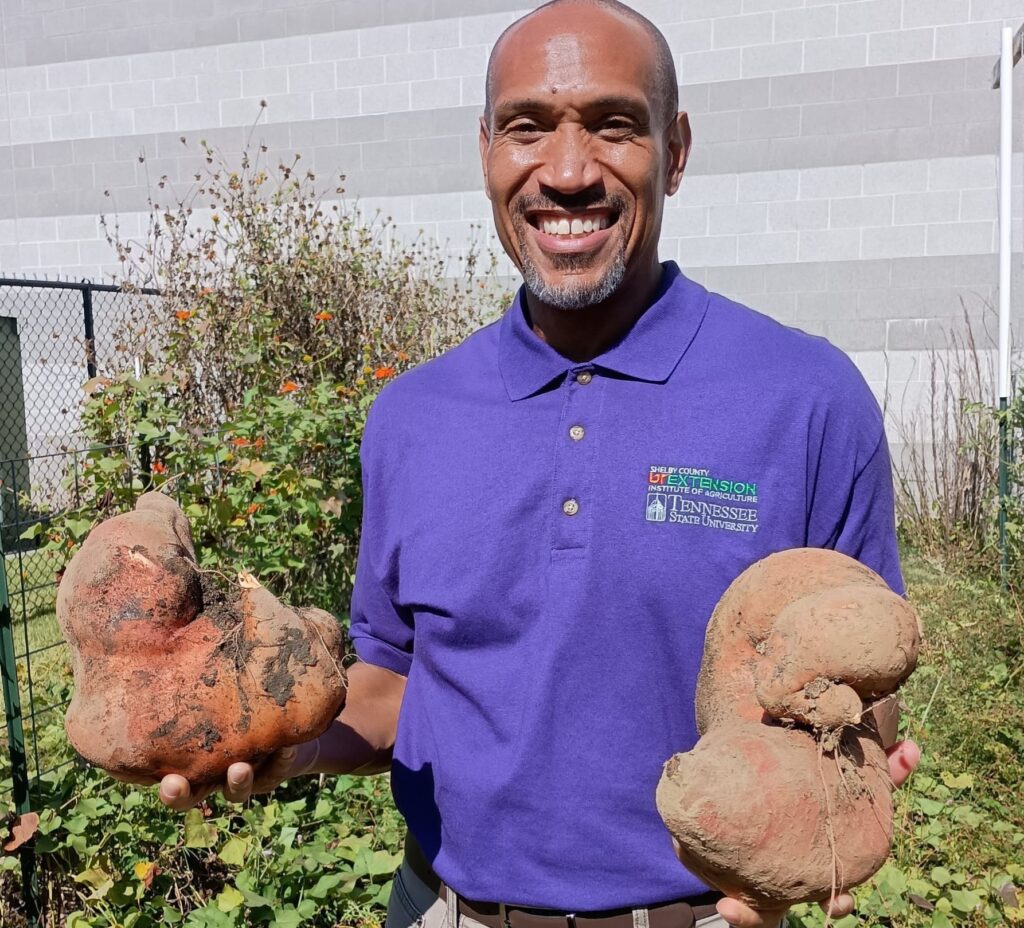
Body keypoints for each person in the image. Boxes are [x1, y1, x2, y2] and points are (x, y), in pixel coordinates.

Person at [157, 2, 921, 927]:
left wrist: (831, 811)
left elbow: (863, 689)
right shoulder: (412, 417)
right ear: (486, 151)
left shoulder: (806, 399)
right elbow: (399, 687)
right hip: (440, 909)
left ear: (674, 150)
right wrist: (287, 737)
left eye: (612, 124)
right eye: (527, 128)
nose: (566, 173)